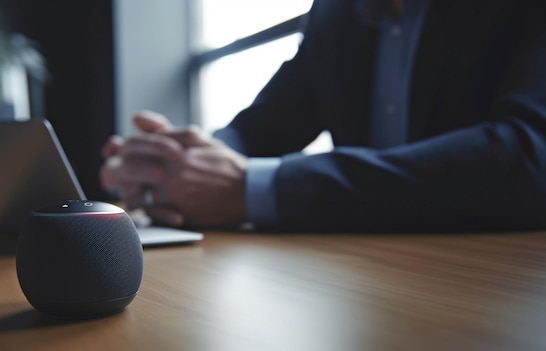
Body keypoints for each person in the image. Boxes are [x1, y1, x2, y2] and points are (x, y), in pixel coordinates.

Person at [100, 0, 546, 233]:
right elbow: (258, 129)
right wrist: (176, 161)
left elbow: (528, 157)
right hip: (369, 277)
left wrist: (249, 187)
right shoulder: (335, 14)